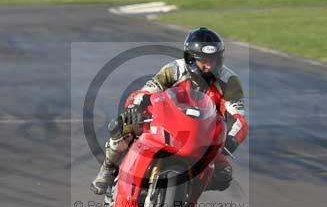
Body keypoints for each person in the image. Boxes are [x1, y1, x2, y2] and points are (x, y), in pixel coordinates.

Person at [90, 27, 248, 195]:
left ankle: (185, 195)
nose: (209, 65)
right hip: (165, 121)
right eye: (204, 60)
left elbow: (238, 117)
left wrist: (232, 139)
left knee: (223, 176)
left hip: (203, 134)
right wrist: (135, 106)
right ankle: (107, 169)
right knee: (123, 126)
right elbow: (149, 90)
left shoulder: (229, 81)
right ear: (191, 59)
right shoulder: (174, 70)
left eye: (214, 60)